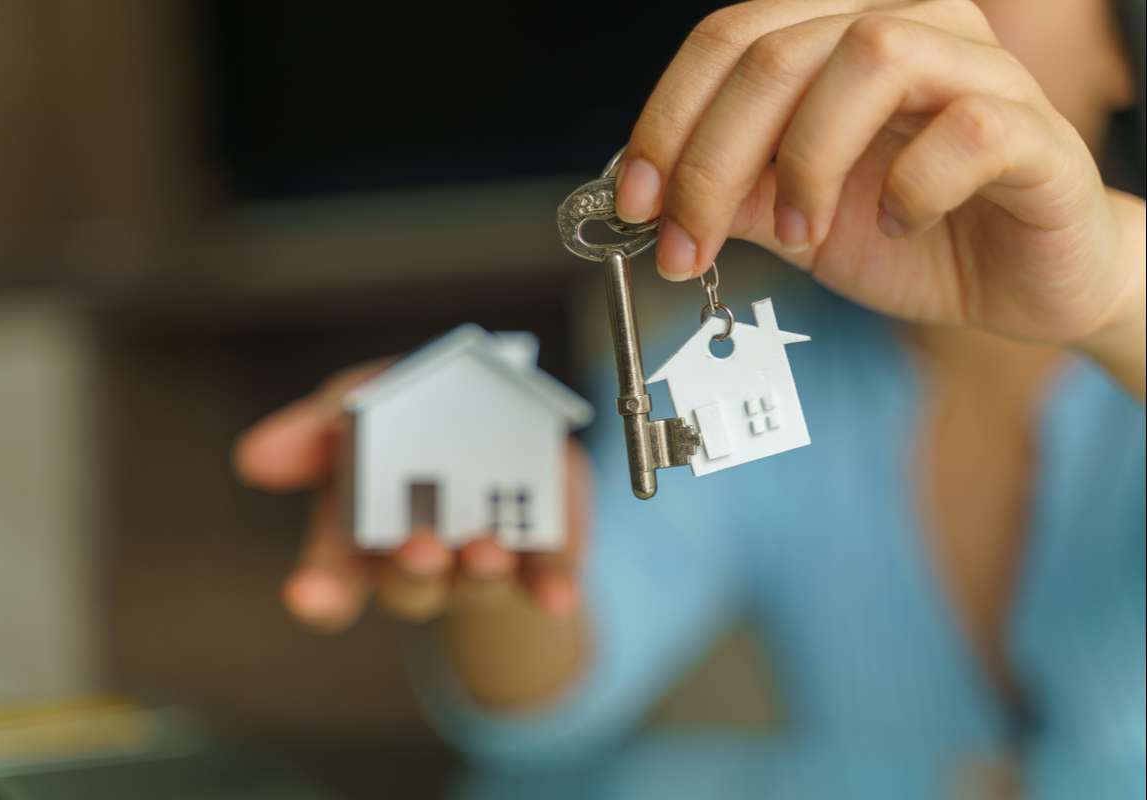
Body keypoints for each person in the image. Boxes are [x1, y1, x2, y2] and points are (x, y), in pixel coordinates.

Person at [235, 0, 1145, 772]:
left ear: (1123, 51)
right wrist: (497, 554)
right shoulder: (758, 369)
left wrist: (1114, 292)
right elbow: (552, 693)